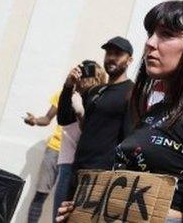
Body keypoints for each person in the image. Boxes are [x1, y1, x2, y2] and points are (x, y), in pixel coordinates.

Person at [58, 1, 183, 222]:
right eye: (151, 33)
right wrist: (87, 208)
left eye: (167, 34)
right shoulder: (154, 111)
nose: (151, 43)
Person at [55, 37, 134, 199]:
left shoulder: (131, 93)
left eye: (118, 54)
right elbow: (63, 119)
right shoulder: (95, 91)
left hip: (101, 176)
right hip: (77, 169)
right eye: (109, 53)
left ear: (129, 60)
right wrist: (68, 85)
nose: (112, 57)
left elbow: (129, 139)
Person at [52, 64, 106, 220]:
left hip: (84, 166)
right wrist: (69, 85)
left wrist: (81, 111)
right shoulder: (74, 97)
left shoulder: (97, 100)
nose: (83, 80)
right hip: (68, 164)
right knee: (60, 216)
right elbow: (62, 118)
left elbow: (93, 131)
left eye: (87, 77)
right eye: (81, 76)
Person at [23, 91, 62, 223]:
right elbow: (47, 119)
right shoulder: (63, 93)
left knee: (67, 199)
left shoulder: (92, 95)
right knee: (41, 194)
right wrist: (34, 121)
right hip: (55, 149)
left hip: (76, 153)